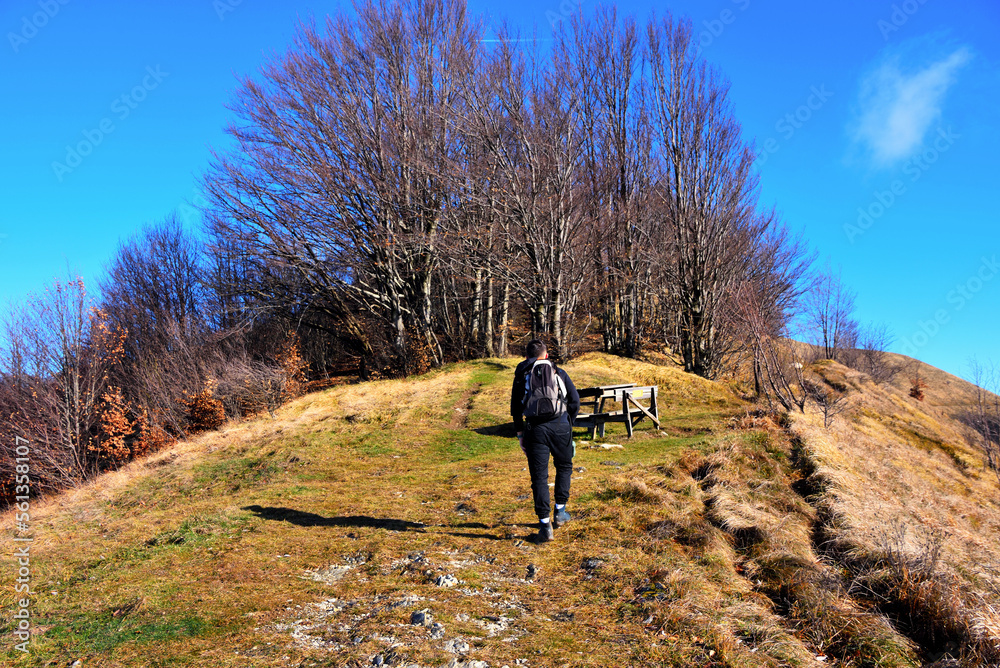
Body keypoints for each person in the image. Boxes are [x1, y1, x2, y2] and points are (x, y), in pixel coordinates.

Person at [510, 339, 580, 543]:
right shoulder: (558, 372)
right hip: (560, 424)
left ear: (526, 357)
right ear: (546, 355)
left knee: (539, 478)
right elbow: (574, 401)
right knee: (564, 466)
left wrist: (520, 434)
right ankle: (560, 512)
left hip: (534, 429)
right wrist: (568, 423)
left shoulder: (522, 374)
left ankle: (545, 526)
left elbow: (515, 407)